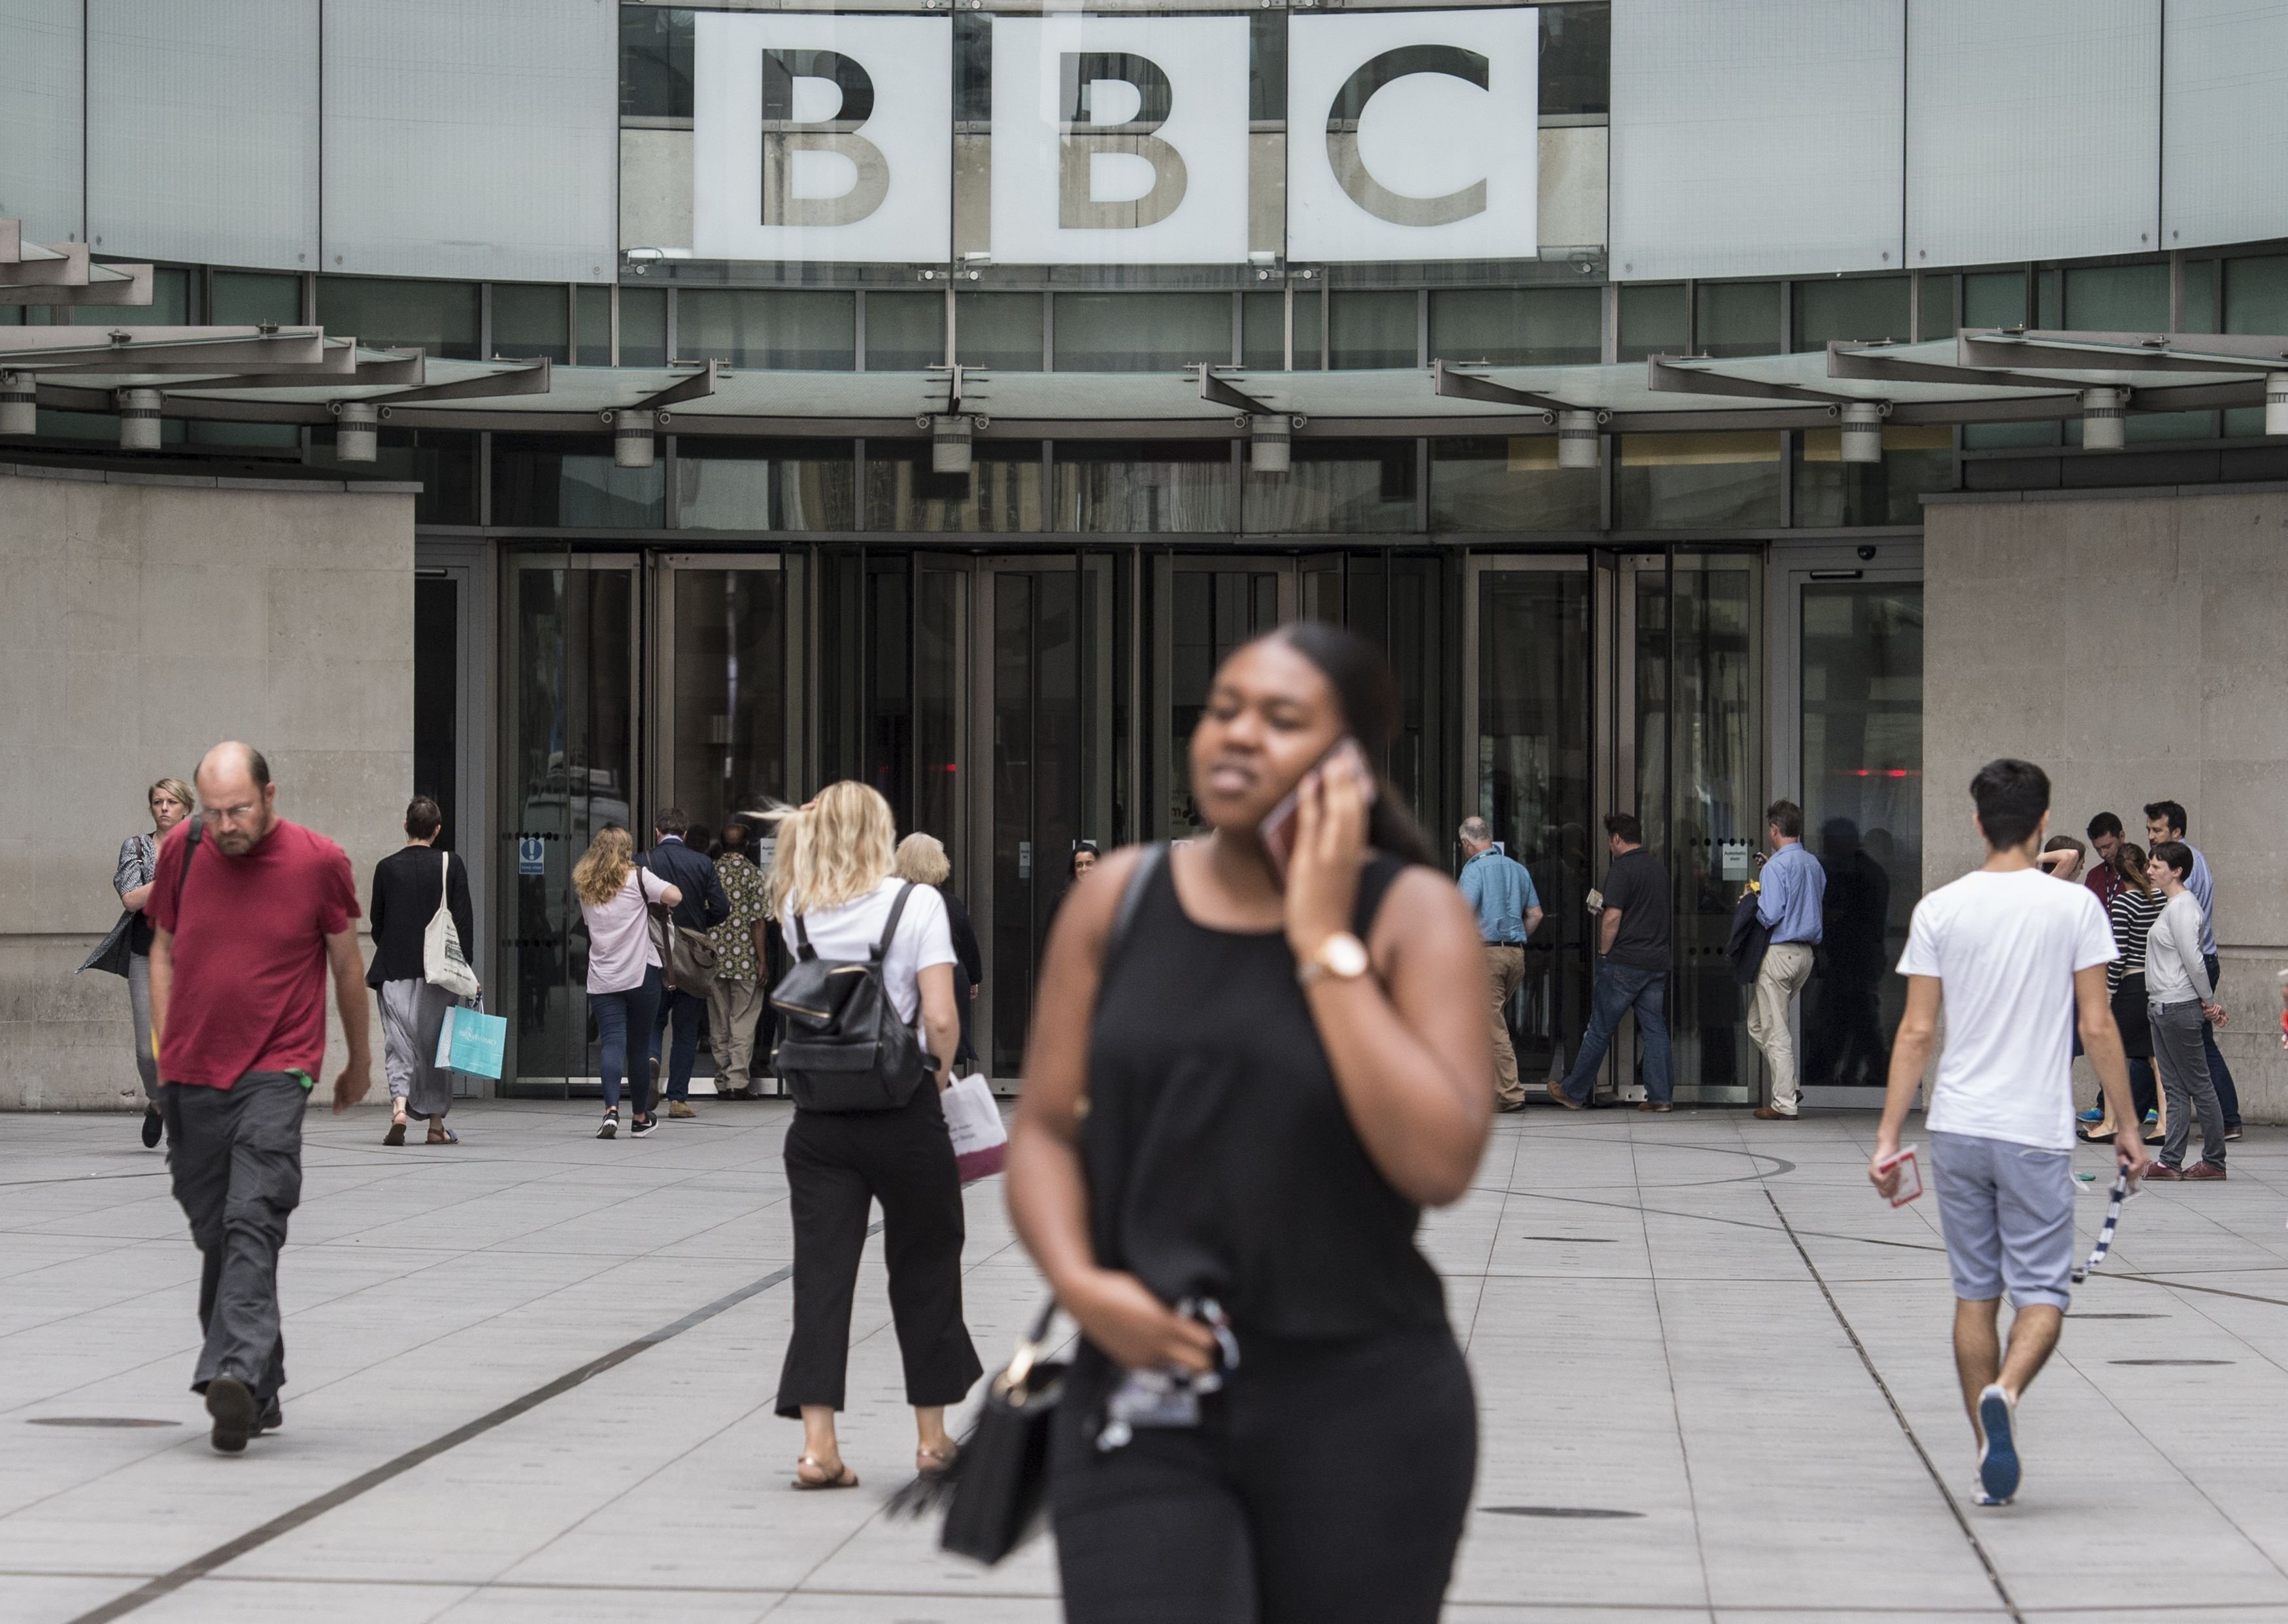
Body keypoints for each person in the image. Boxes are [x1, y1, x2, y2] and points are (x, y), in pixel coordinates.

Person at [1008, 621, 1490, 1623]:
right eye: (1225, 709)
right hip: (1145, 1390)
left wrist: (1322, 940)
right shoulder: (1117, 900)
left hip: (1363, 1400)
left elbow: (1439, 1160)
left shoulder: (1413, 915)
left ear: (1347, 757)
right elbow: (1047, 1130)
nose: (1238, 735)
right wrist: (1083, 1286)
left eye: (1281, 719)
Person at [1870, 758, 2145, 1508]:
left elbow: (1916, 1031)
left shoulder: (1939, 908)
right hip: (2033, 1129)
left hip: (1956, 1125)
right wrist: (2126, 1124)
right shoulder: (2072, 909)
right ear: (2040, 818)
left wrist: (1889, 1133)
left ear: (1974, 820)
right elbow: (2095, 1023)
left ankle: (1988, 1445)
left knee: (1972, 1296)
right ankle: (2008, 1391)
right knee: (2041, 1295)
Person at [147, 742, 370, 1454]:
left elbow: (344, 962)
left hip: (277, 1069)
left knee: (253, 1215)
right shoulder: (181, 852)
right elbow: (161, 947)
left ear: (270, 795)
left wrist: (358, 1060)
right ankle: (259, 1385)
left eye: (238, 809)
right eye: (212, 813)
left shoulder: (318, 860)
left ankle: (233, 1372)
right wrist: (162, 1048)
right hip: (190, 1074)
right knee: (216, 1230)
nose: (225, 824)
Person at [770, 783, 976, 1490]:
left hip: (819, 1119)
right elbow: (942, 1017)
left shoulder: (796, 904)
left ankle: (817, 1446)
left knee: (821, 1275)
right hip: (902, 1109)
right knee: (925, 1263)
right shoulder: (915, 904)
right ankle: (930, 1439)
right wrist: (939, 1075)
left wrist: (805, 824)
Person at [87, 776, 195, 1150]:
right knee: (147, 1051)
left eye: (171, 802)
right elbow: (131, 899)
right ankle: (158, 1102)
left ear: (186, 808)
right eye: (158, 802)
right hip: (146, 955)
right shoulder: (136, 847)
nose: (164, 808)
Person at [365, 796, 476, 1146]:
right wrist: (466, 968)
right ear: (438, 829)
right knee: (436, 1045)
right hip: (438, 971)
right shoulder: (451, 863)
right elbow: (463, 922)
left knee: (398, 1042)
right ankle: (435, 1124)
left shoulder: (386, 867)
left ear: (406, 825)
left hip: (393, 966)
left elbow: (376, 923)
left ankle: (399, 1107)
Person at [1550, 813, 1671, 1111]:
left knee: (1600, 1028)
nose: (1609, 845)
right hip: (1656, 961)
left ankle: (1573, 1092)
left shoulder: (1622, 869)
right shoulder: (1659, 869)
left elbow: (1613, 917)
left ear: (1617, 838)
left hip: (1625, 962)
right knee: (1655, 1029)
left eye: (1610, 840)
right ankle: (1661, 1097)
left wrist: (1604, 955)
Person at [573, 825, 681, 1140]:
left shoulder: (585, 884)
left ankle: (610, 1112)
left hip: (603, 976)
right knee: (637, 1047)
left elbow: (591, 923)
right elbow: (676, 895)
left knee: (611, 1043)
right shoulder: (638, 878)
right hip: (640, 975)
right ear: (626, 850)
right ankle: (639, 1117)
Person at [2142, 801, 2241, 1140]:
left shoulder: (2184, 881)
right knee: (2183, 1069)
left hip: (2191, 975)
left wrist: (2208, 1002)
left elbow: (2190, 950)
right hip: (2183, 980)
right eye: (2149, 830)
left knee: (2199, 1059)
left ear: (2177, 834)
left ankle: (2225, 1126)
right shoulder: (2181, 879)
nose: (2151, 837)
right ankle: (2186, 1145)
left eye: (2158, 831)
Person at [2142, 841, 2228, 1182]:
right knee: (2176, 1088)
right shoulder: (2174, 905)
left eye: (2157, 866)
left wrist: (2208, 1002)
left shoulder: (2182, 908)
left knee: (2199, 1086)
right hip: (2162, 1006)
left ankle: (2214, 1161)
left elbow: (2195, 960)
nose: (2150, 871)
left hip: (2177, 1006)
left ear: (2177, 871)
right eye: (2150, 865)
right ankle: (2170, 1160)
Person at [645, 808, 729, 1119]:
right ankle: (678, 1098)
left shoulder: (643, 861)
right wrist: (697, 925)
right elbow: (722, 907)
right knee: (686, 1029)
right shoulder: (703, 863)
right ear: (684, 834)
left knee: (653, 1021)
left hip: (654, 954)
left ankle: (651, 1062)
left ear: (657, 832)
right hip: (691, 956)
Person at [1456, 816, 1543, 1114]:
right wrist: (1516, 941)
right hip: (1515, 955)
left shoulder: (1474, 870)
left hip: (1487, 955)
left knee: (1491, 1024)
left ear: (1467, 844)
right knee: (1487, 1021)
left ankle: (1510, 1092)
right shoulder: (1517, 869)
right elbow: (1536, 914)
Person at [2080, 844, 2165, 1146]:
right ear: (2145, 867)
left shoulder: (2123, 903)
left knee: (2116, 1054)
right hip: (2158, 983)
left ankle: (2112, 1122)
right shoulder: (2162, 899)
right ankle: (2165, 1124)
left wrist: (2108, 992)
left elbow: (2119, 955)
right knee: (2157, 1059)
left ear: (2118, 872)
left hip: (2130, 985)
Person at [1747, 799, 1825, 1121]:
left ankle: (1784, 1103)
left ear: (1775, 830)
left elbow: (1771, 914)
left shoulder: (1777, 867)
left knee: (1775, 1030)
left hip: (1779, 954)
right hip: (1805, 955)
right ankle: (1789, 1085)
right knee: (1757, 1024)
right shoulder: (1813, 864)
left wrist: (1754, 897)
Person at [1806, 817, 1889, 1088]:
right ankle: (1866, 1071)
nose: (1825, 849)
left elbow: (1852, 921)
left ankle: (1826, 1071)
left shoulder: (1856, 875)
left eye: (1829, 843)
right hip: (1859, 960)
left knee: (1847, 1018)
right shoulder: (1869, 872)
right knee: (1854, 1018)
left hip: (1853, 960)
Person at [895, 832, 984, 1074]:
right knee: (942, 1049)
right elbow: (968, 946)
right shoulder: (951, 903)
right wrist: (974, 980)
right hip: (948, 980)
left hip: (904, 981)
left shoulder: (893, 903)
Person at [706, 820, 772, 1101]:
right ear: (747, 846)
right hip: (744, 959)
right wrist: (762, 960)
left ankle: (722, 1078)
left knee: (719, 1020)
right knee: (743, 1020)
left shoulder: (709, 872)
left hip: (713, 958)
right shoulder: (754, 874)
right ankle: (737, 1081)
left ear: (721, 845)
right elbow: (758, 922)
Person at [2084, 812, 2126, 910]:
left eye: (2107, 847)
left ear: (2122, 836)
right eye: (2098, 849)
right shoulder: (2093, 876)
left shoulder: (2146, 870)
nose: (2103, 854)